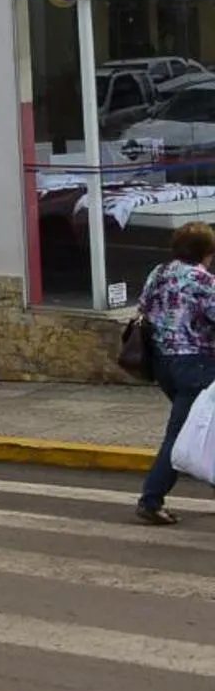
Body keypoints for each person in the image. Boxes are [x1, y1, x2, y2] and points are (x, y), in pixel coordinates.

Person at [135, 219, 215, 525]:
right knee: (182, 432)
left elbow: (143, 308)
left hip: (162, 363)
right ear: (207, 252)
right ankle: (151, 499)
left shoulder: (160, 272)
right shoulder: (203, 281)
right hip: (194, 366)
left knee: (203, 426)